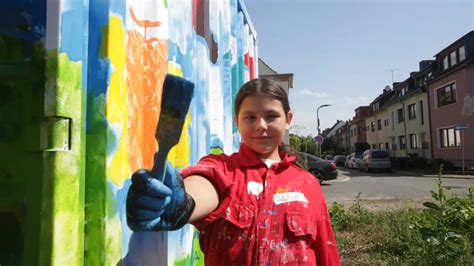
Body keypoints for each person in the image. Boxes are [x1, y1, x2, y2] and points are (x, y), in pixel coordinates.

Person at [126, 78, 340, 265]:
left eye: (271, 116)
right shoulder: (221, 169)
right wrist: (178, 203)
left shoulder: (308, 184)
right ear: (237, 121)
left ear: (288, 120)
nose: (260, 125)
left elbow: (326, 253)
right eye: (250, 117)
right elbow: (201, 189)